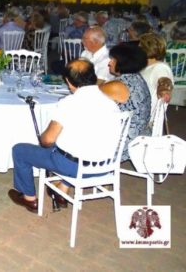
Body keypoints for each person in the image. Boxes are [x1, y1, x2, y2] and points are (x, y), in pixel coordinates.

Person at [8, 59, 124, 213]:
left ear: (69, 82)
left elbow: (47, 140)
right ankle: (61, 191)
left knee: (20, 150)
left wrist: (45, 139)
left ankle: (29, 198)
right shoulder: (110, 102)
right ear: (93, 76)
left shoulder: (69, 103)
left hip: (75, 167)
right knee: (72, 145)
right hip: (105, 166)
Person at [106, 43, 151, 161]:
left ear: (122, 63)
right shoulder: (136, 77)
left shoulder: (118, 85)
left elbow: (88, 98)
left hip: (124, 143)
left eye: (113, 60)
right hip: (141, 133)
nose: (109, 63)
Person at [139, 33, 174, 119]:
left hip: (145, 115)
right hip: (141, 108)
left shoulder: (160, 68)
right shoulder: (147, 66)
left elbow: (164, 82)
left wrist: (164, 91)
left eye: (139, 46)